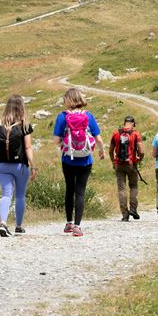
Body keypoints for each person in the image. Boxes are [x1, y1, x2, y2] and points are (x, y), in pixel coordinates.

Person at [53, 88, 106, 237]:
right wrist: (101, 151)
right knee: (80, 192)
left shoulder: (62, 117)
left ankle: (69, 223)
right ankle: (77, 226)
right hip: (86, 160)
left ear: (68, 100)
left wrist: (66, 143)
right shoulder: (89, 116)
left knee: (69, 190)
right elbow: (99, 139)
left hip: (68, 159)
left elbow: (56, 140)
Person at [0, 94, 37, 237]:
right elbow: (28, 147)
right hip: (20, 166)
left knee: (6, 195)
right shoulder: (24, 125)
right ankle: (18, 226)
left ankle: (3, 223)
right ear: (21, 107)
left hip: (3, 166)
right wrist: (33, 165)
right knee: (19, 196)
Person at [109, 115, 145, 221]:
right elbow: (141, 151)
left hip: (119, 164)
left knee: (122, 189)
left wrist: (113, 162)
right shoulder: (135, 134)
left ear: (124, 123)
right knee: (133, 186)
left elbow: (111, 151)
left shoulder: (116, 133)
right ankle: (133, 209)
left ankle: (125, 215)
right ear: (133, 124)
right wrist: (139, 159)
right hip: (131, 164)